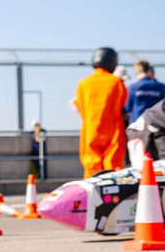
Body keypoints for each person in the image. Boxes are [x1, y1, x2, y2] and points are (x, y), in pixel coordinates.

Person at [69, 47, 128, 178]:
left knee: (91, 166)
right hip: (113, 129)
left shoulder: (83, 83)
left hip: (90, 129)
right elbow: (123, 103)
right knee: (113, 167)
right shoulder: (117, 82)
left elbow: (80, 105)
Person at [125, 60, 165, 125]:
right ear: (149, 70)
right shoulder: (161, 87)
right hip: (156, 125)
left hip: (137, 125)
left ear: (136, 72)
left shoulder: (132, 87)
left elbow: (127, 108)